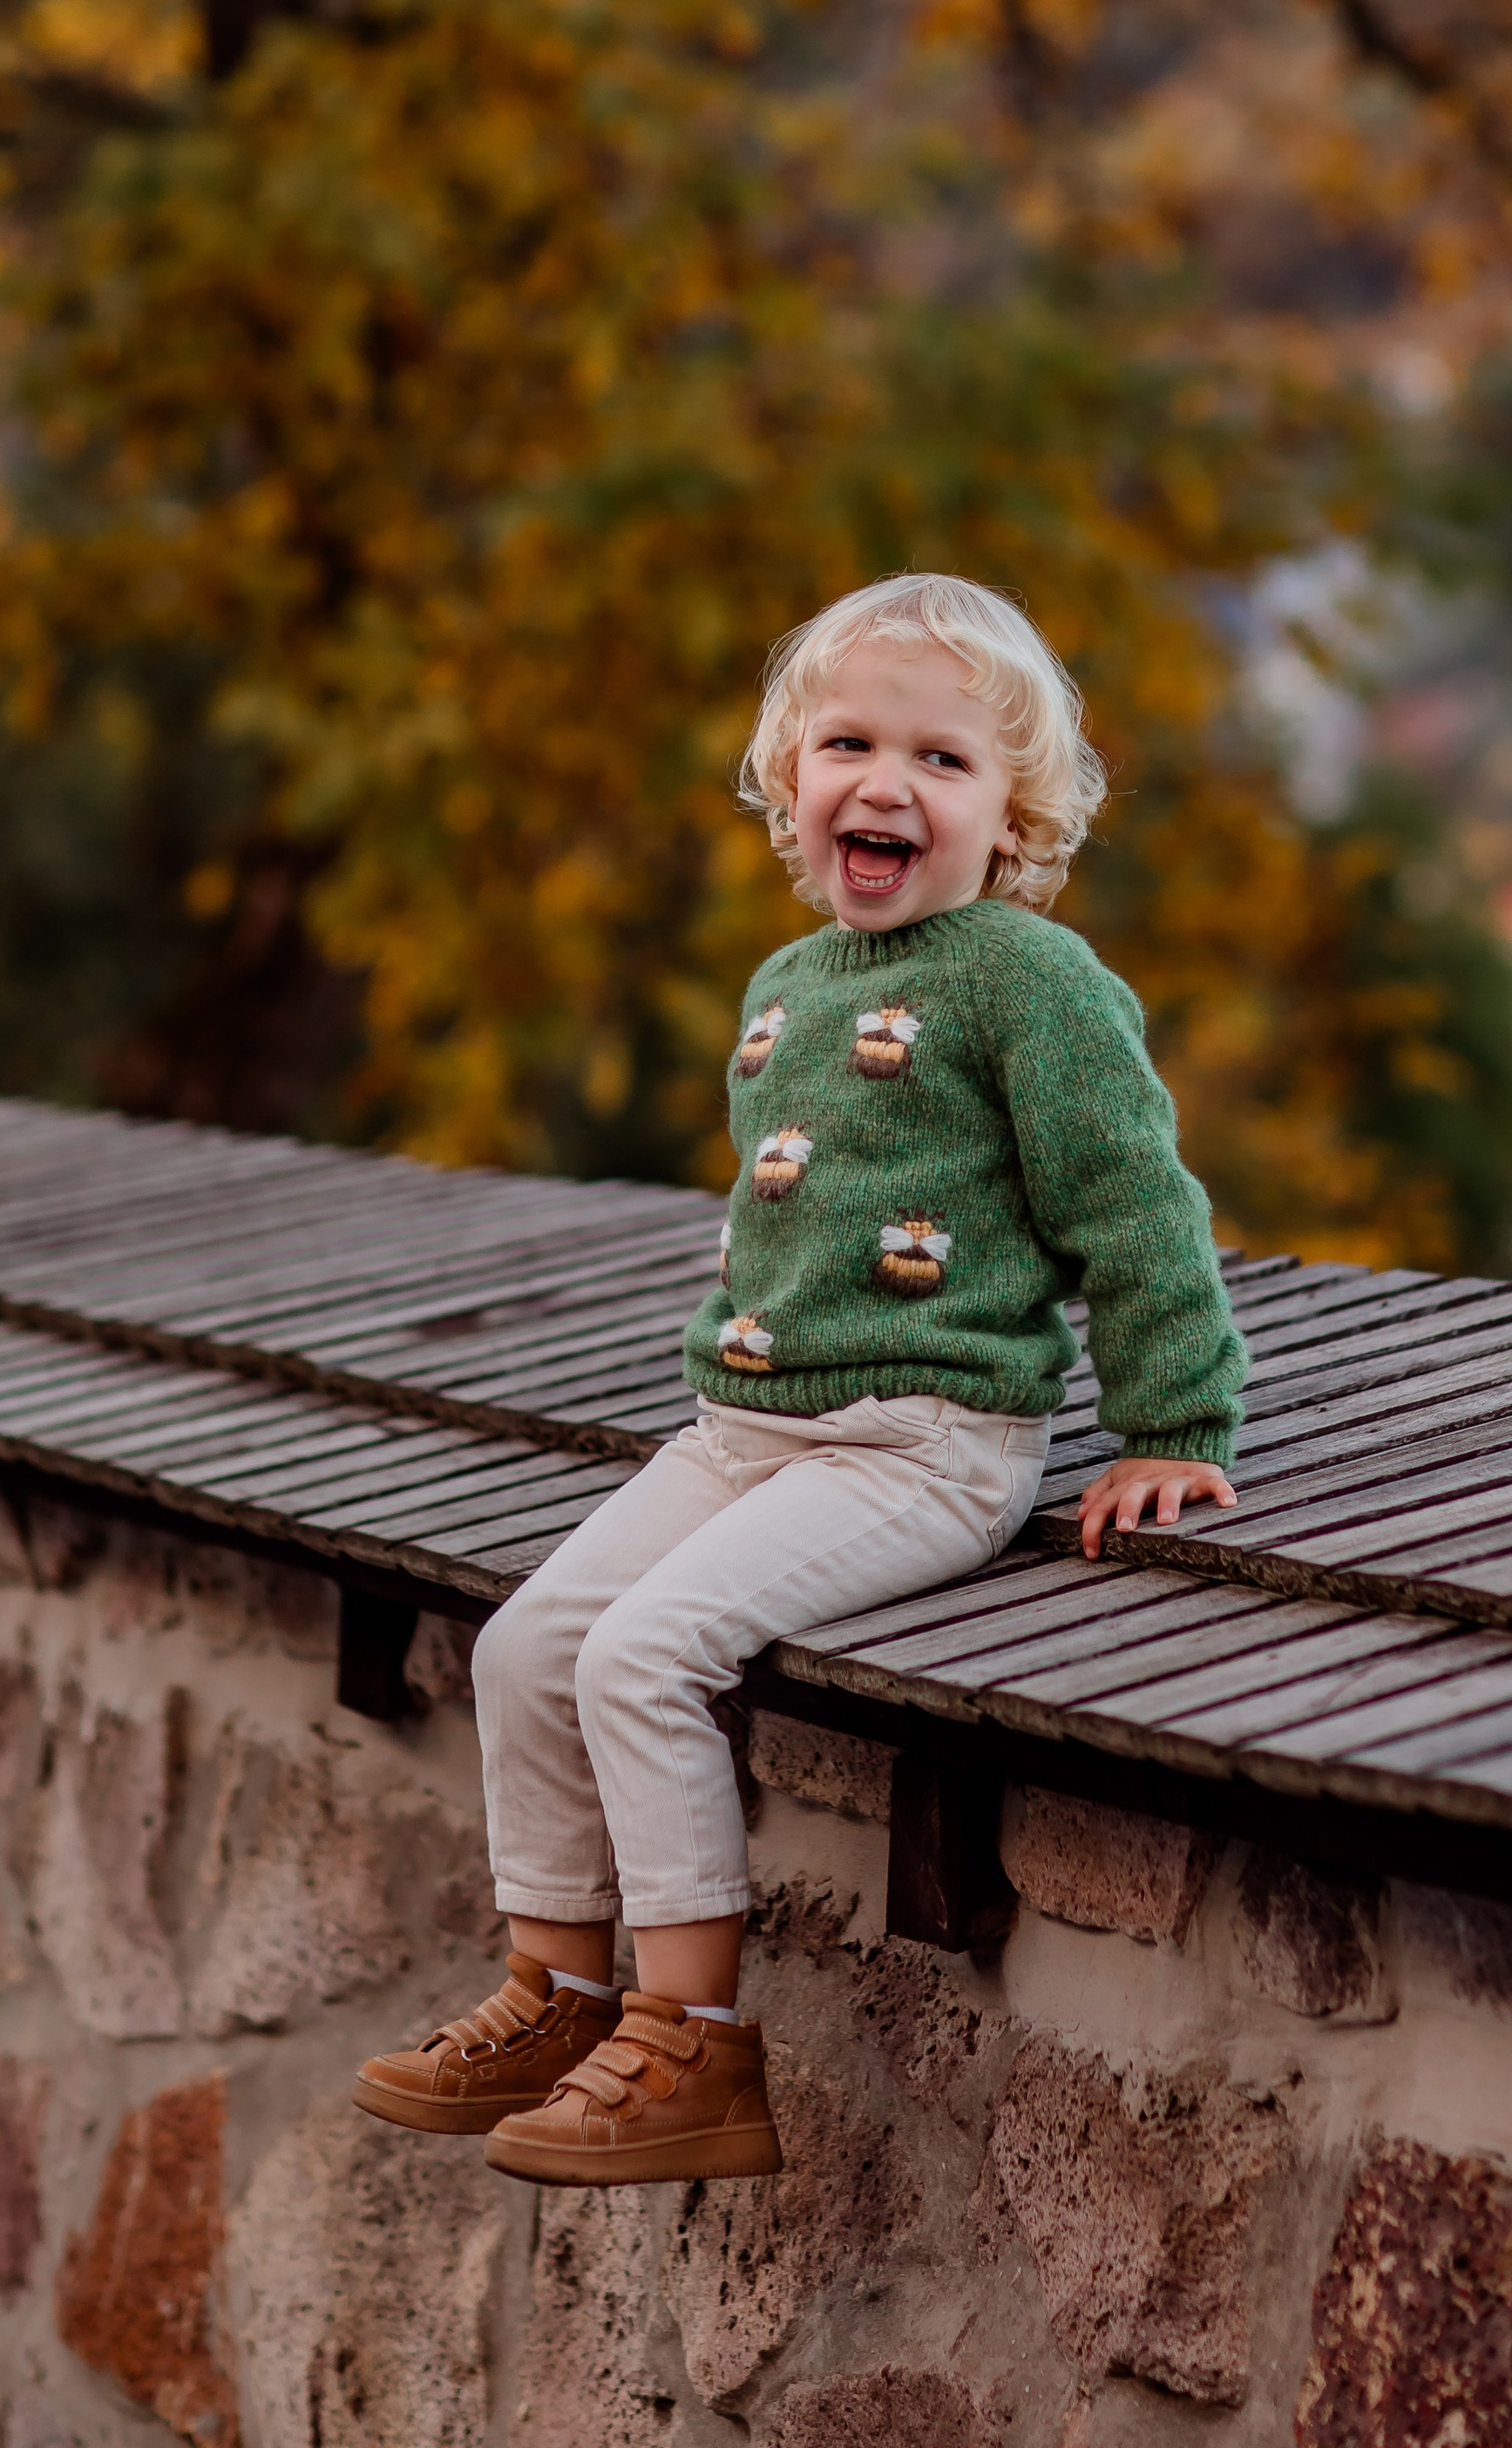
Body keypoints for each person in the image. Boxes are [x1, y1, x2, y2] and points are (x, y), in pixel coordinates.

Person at [350, 573, 1250, 2185]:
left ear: (1014, 813)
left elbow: (1135, 1204)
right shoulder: (787, 983)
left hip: (922, 1445)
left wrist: (1171, 1425)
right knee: (523, 1647)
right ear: (792, 781)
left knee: (642, 1656)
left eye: (945, 760)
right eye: (848, 741)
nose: (887, 782)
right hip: (742, 1432)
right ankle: (554, 1995)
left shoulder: (1028, 982)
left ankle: (690, 2047)